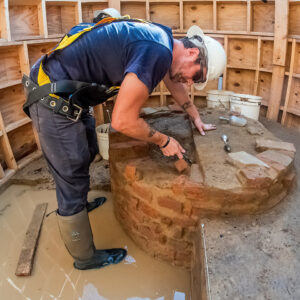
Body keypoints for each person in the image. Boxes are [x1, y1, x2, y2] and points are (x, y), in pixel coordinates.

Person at [22, 8, 226, 271]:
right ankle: (84, 256)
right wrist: (163, 141)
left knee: (85, 154)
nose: (190, 82)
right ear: (193, 52)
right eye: (196, 76)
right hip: (51, 100)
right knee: (70, 178)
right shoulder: (156, 51)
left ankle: (81, 205)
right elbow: (122, 121)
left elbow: (173, 81)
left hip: (69, 96)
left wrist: (195, 116)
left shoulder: (162, 40)